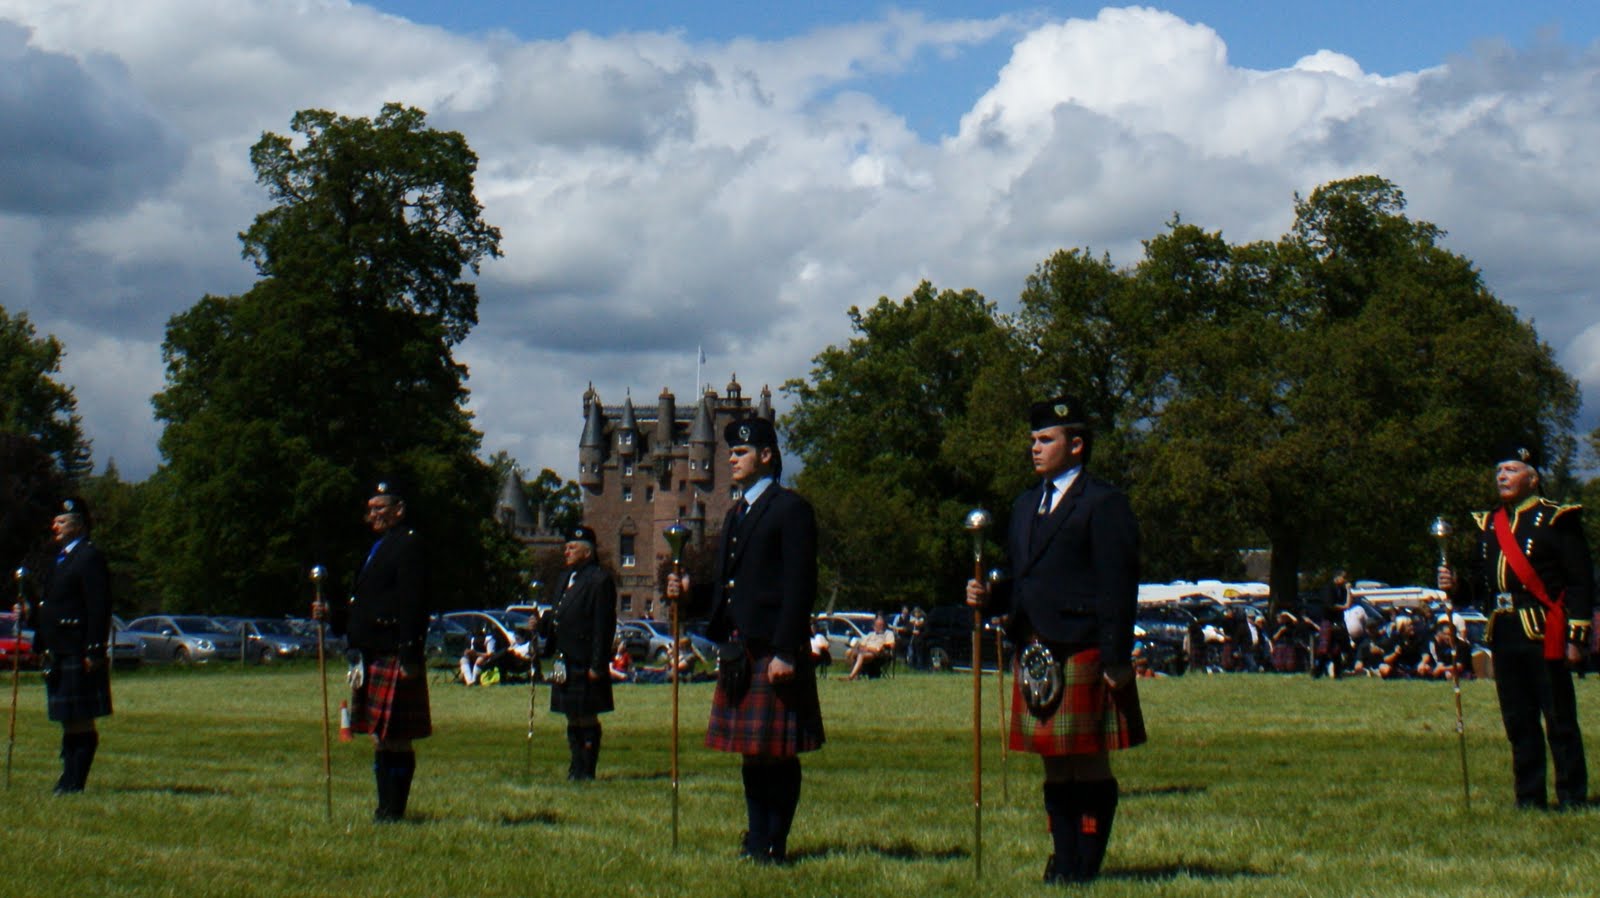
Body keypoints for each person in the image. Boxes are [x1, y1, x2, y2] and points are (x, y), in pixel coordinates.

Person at [965, 396, 1145, 885]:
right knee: (1054, 767)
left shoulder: (1103, 503)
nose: (1036, 449)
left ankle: (1086, 861)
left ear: (1077, 445)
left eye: (1046, 440)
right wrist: (990, 596)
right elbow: (1026, 579)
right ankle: (1062, 857)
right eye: (1033, 441)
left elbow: (1118, 585)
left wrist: (1116, 657)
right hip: (1036, 647)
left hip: (1082, 643)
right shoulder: (1026, 505)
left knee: (1086, 762)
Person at [665, 416, 824, 865]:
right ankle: (756, 839)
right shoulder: (737, 514)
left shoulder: (790, 509)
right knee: (753, 755)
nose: (731, 460)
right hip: (740, 650)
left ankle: (776, 843)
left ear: (766, 456)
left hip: (773, 648)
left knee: (777, 753)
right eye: (730, 453)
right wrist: (690, 595)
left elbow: (799, 586)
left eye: (740, 453)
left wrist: (786, 651)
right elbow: (728, 590)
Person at [1438, 442, 1593, 809]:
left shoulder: (1557, 519)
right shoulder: (1490, 524)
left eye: (1510, 470)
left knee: (1559, 719)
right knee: (1518, 720)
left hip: (1545, 631)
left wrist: (1577, 636)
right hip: (1505, 631)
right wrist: (1456, 586)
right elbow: (1480, 584)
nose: (1502, 477)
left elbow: (1581, 581)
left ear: (1532, 478)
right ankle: (1529, 797)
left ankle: (1571, 797)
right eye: (1498, 472)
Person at [317, 481, 431, 822]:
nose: (374, 515)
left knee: (395, 736)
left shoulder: (409, 546)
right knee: (380, 737)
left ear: (399, 510)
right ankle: (384, 807)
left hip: (394, 650)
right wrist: (333, 616)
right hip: (370, 651)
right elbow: (365, 606)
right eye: (371, 509)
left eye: (380, 508)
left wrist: (410, 654)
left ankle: (394, 810)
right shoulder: (378, 548)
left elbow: (414, 603)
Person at [15, 497, 113, 794]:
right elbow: (54, 606)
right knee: (68, 719)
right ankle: (67, 777)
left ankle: (74, 782)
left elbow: (99, 606)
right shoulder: (61, 559)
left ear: (79, 525)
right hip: (58, 647)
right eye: (55, 521)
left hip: (77, 648)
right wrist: (30, 612)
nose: (54, 526)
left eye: (62, 521)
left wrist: (94, 649)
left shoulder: (88, 556)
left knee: (80, 718)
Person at [546, 525, 618, 781]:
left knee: (586, 715)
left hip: (585, 659)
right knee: (571, 715)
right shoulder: (565, 579)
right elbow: (558, 617)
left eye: (572, 547)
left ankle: (587, 769)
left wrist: (597, 665)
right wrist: (541, 626)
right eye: (565, 547)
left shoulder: (599, 580)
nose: (566, 551)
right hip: (564, 659)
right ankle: (574, 766)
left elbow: (603, 625)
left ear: (587, 552)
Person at [845, 614, 895, 680]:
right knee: (849, 652)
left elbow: (892, 645)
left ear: (884, 625)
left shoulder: (888, 633)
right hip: (865, 650)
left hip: (878, 654)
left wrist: (882, 647)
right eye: (877, 625)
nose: (879, 627)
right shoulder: (870, 634)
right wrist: (858, 646)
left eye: (881, 625)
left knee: (860, 655)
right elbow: (862, 644)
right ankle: (856, 675)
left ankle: (851, 677)